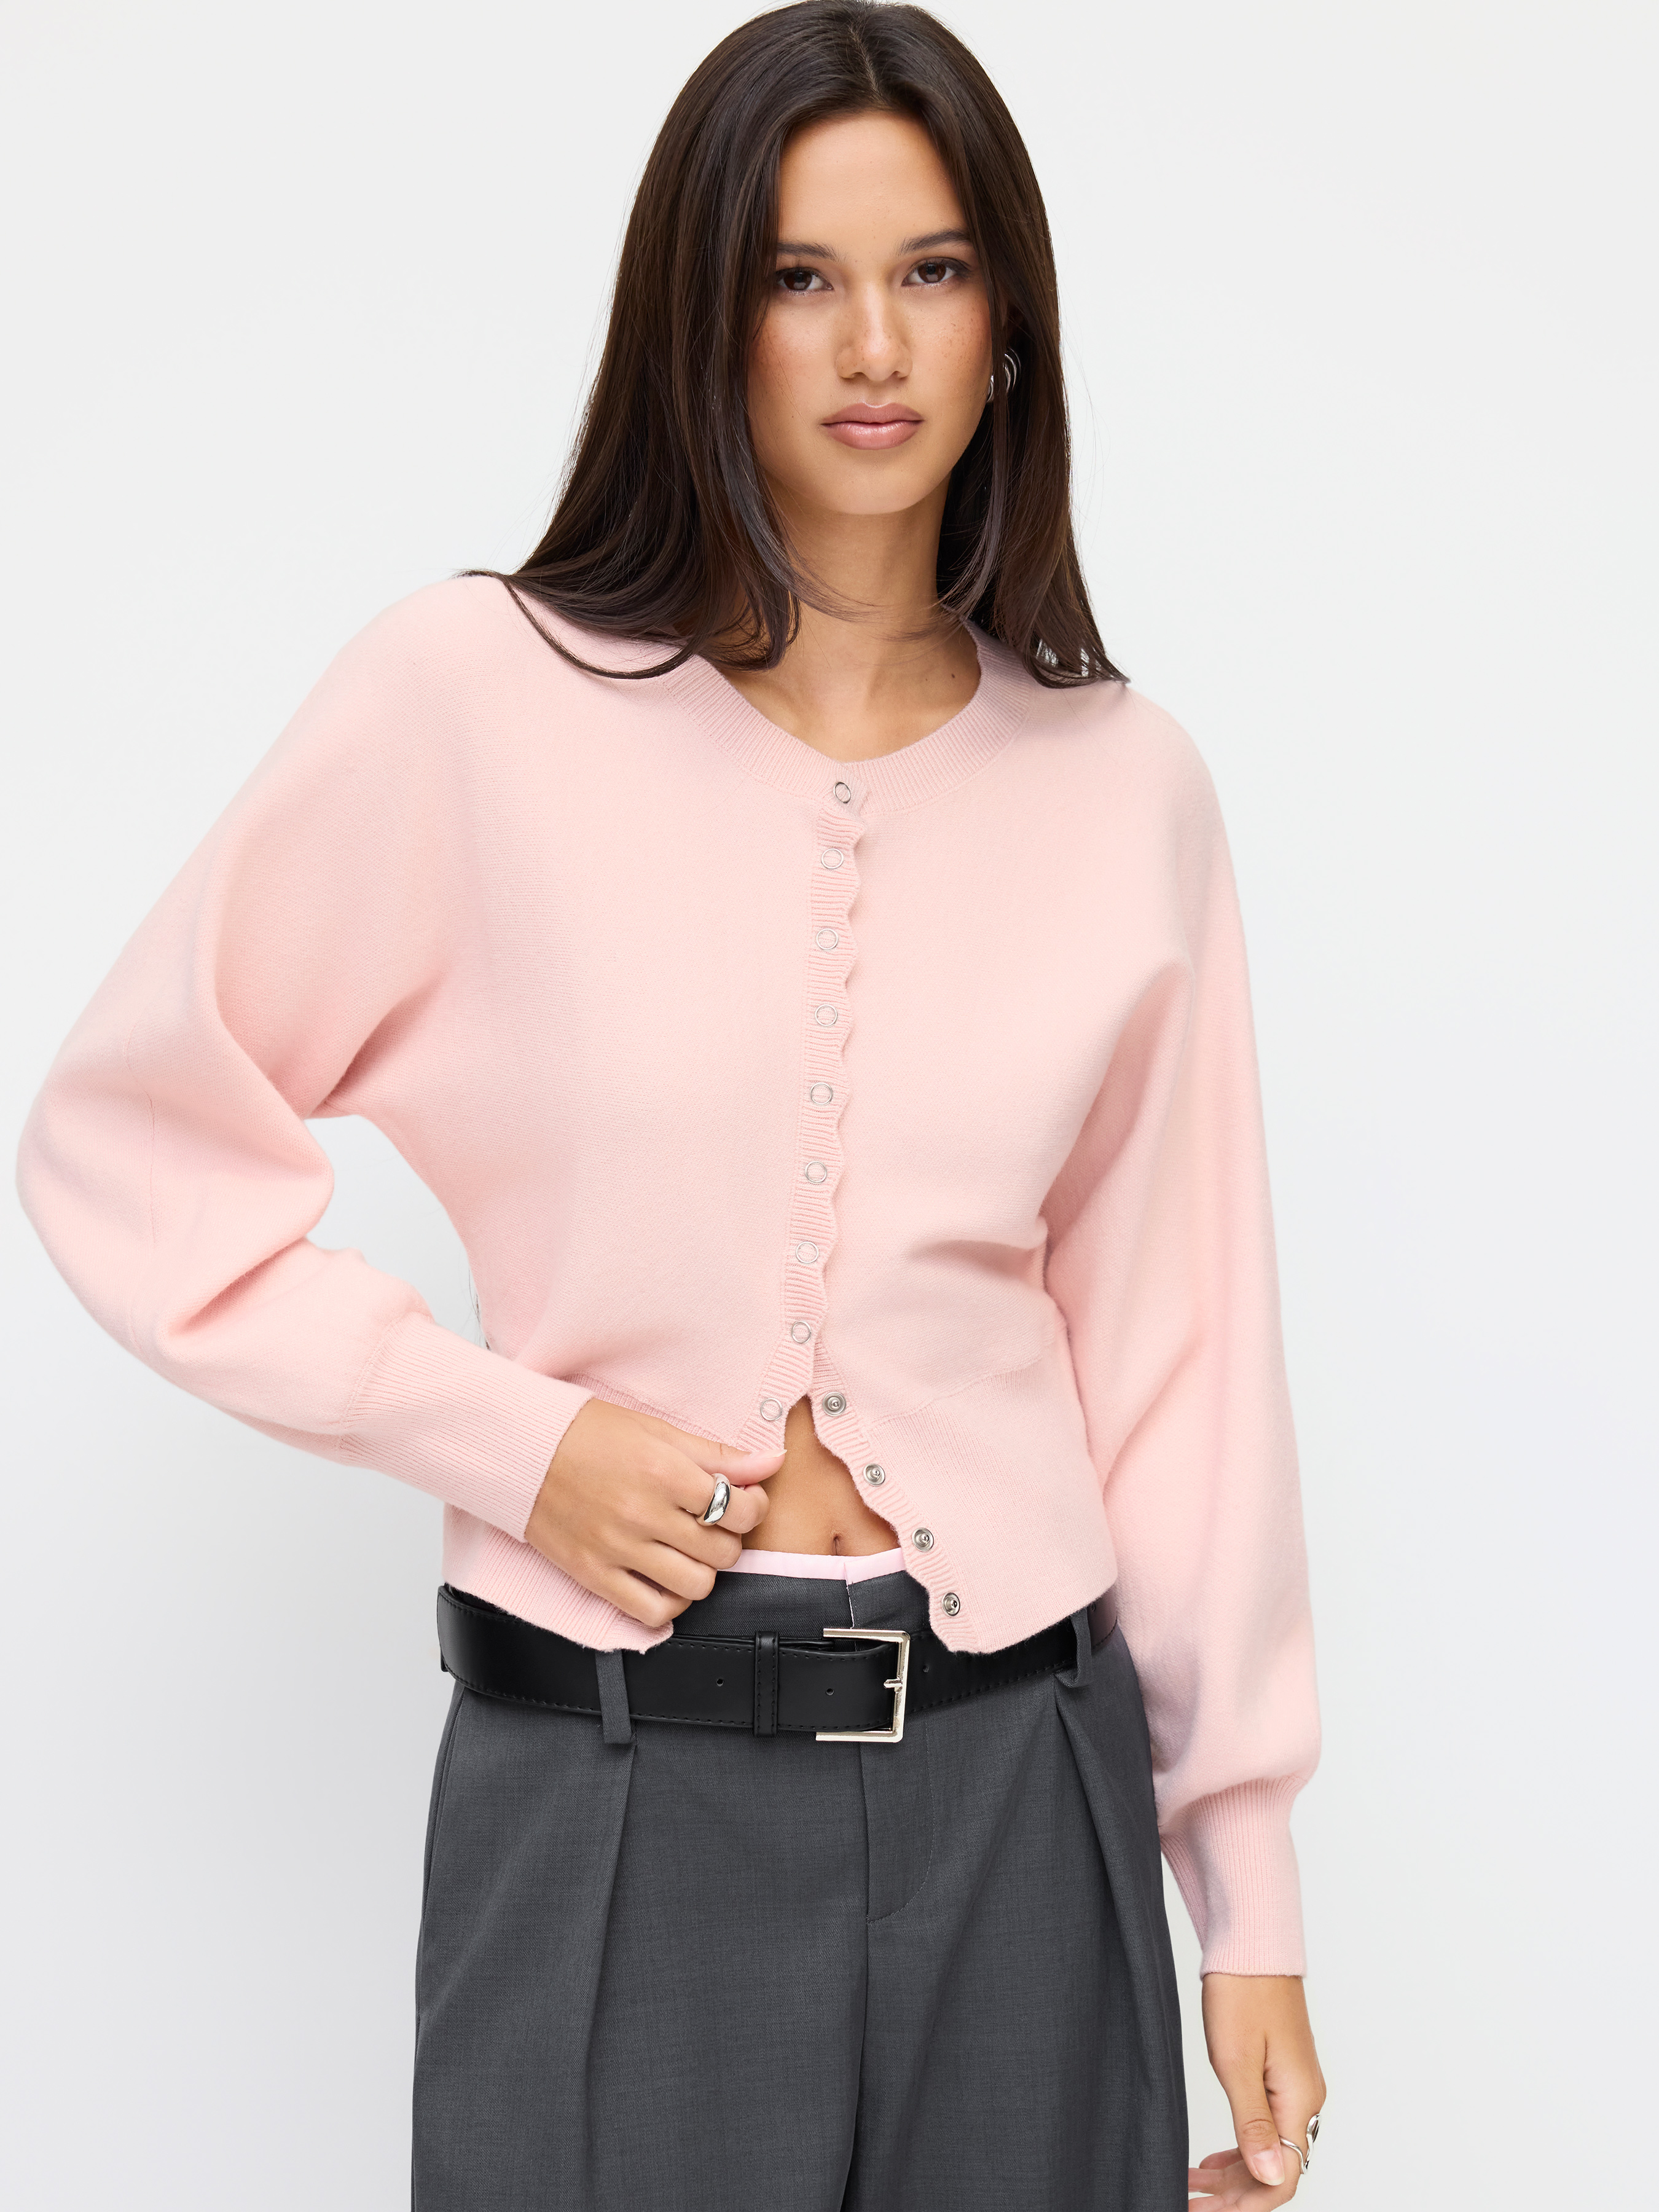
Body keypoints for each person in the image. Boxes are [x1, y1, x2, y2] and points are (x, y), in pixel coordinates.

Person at [16, 5, 1327, 2206]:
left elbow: (1184, 1364)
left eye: (930, 269)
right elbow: (125, 1145)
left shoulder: (1127, 788)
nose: (871, 343)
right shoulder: (473, 699)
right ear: (698, 322)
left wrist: (1247, 1885)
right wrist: (500, 1438)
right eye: (797, 277)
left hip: (1024, 1793)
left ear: (1008, 319)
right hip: (610, 1792)